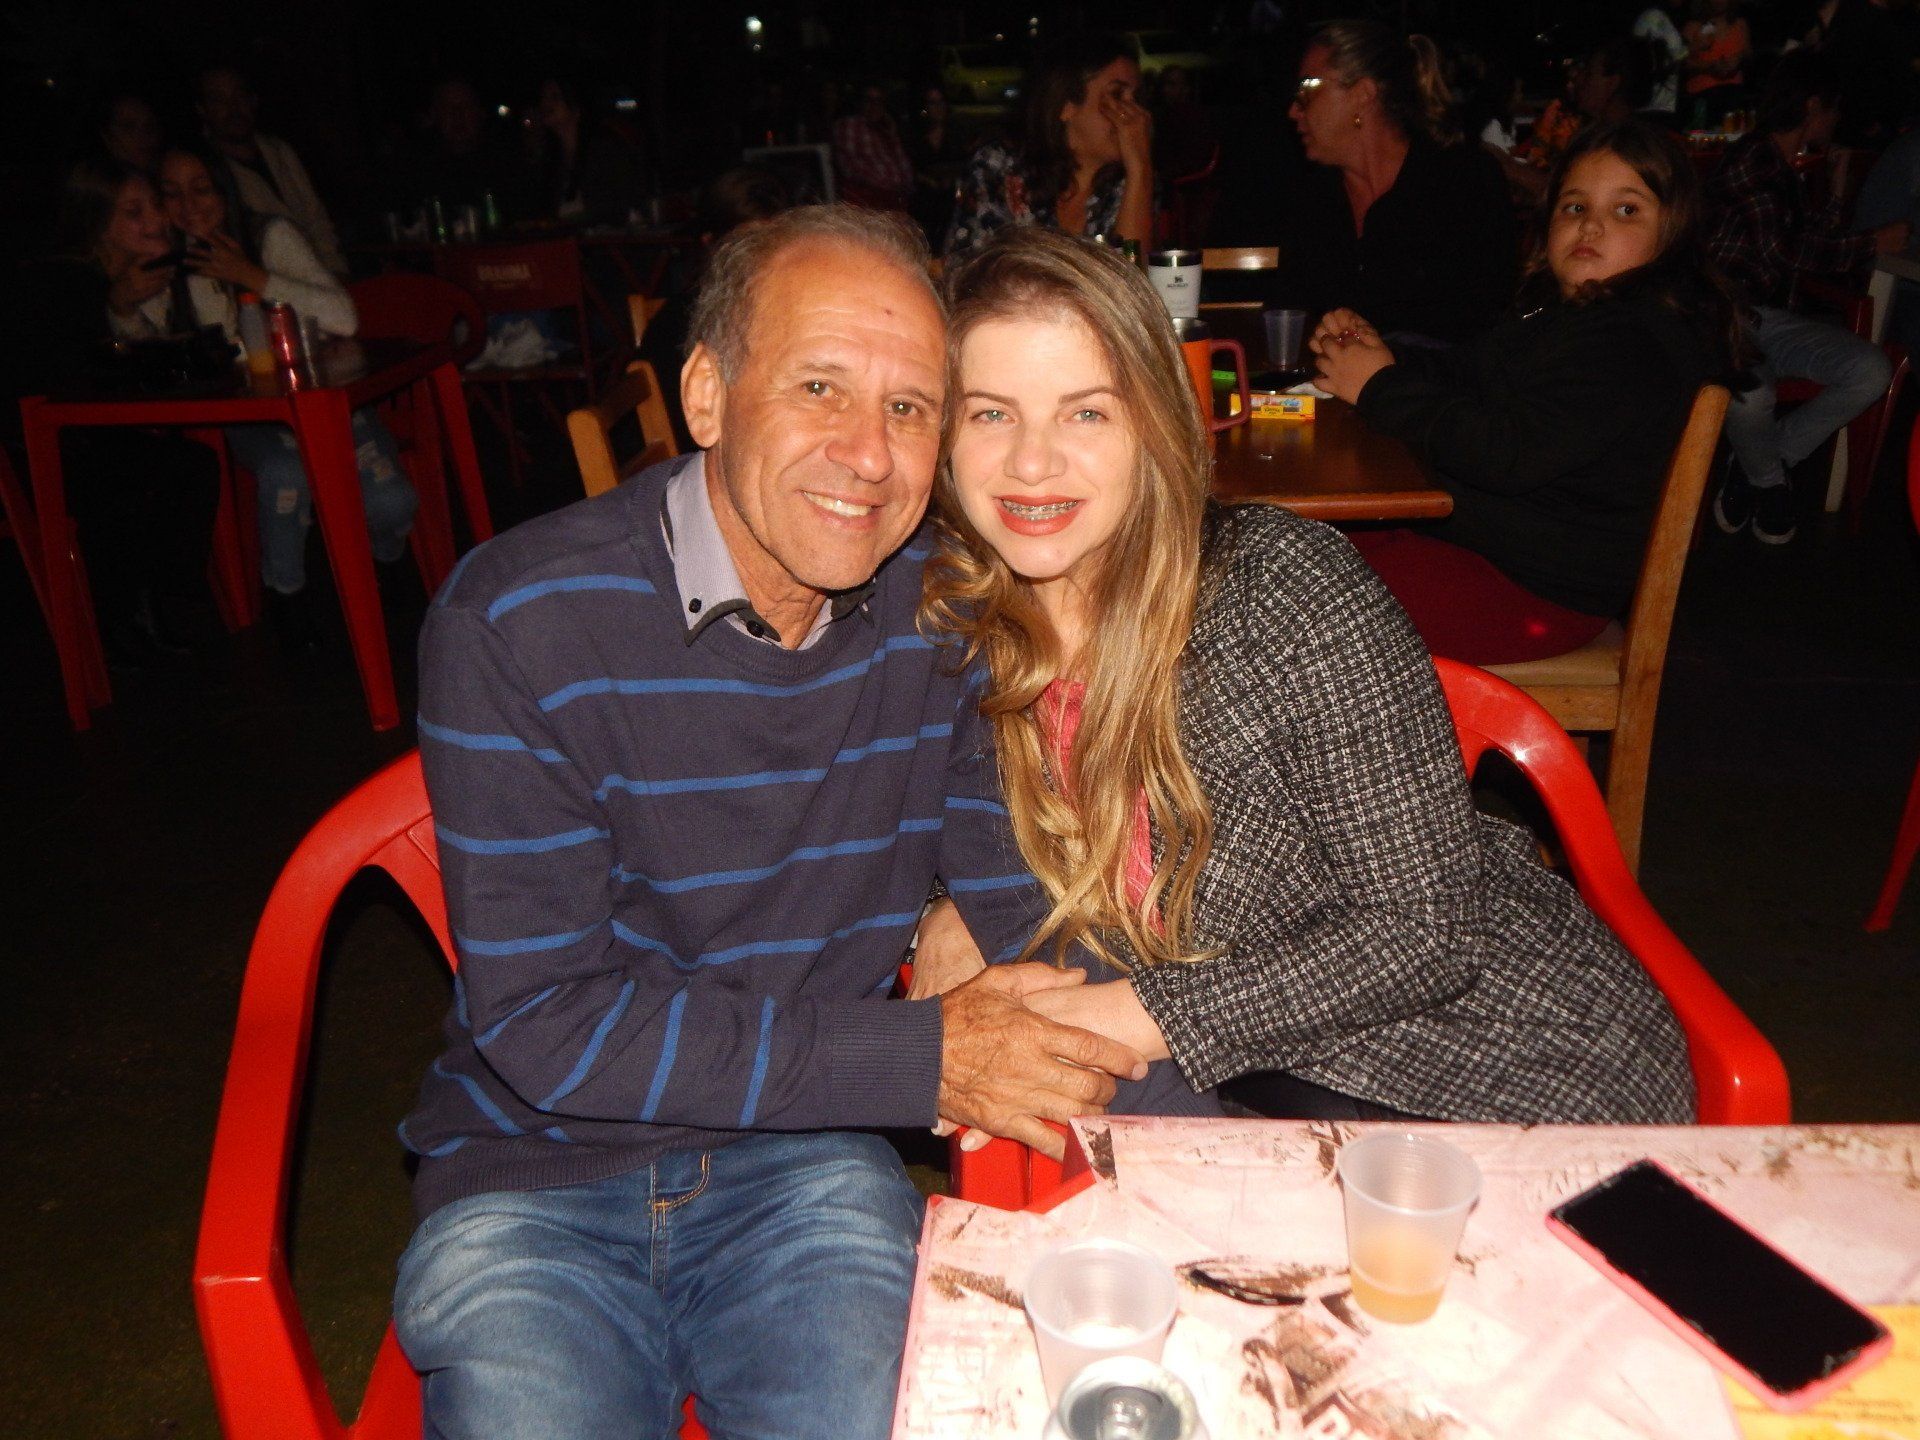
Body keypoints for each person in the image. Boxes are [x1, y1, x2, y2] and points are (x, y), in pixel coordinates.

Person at [392, 205, 1158, 1439]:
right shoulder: (520, 619)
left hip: (804, 1165)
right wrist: (918, 1056)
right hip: (534, 1181)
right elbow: (545, 1022)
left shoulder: (940, 607)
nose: (869, 454)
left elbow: (1011, 876)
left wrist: (980, 920)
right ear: (707, 395)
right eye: (819, 388)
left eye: (910, 407)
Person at [916, 226, 1696, 1126]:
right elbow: (917, 820)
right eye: (991, 413)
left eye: (1086, 412)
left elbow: (1428, 934)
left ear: (1155, 424)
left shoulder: (1282, 588)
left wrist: (1118, 1019)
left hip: (1498, 1057)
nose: (1031, 461)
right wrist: (950, 908)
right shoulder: (946, 620)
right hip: (1241, 1089)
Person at [1308, 120, 1737, 665]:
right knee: (1285, 549)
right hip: (1483, 550)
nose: (1591, 225)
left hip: (1536, 594)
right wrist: (1379, 356)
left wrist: (1377, 385)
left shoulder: (1631, 342)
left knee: (1294, 608)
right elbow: (1467, 371)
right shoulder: (1560, 316)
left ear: (1672, 233)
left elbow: (1506, 453)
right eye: (1574, 206)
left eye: (1626, 210)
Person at [153, 145, 415, 647]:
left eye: (201, 189)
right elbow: (148, 340)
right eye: (172, 193)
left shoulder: (269, 235)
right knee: (284, 474)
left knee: (393, 501)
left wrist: (250, 276)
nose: (189, 205)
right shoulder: (168, 259)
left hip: (323, 395)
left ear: (224, 189)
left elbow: (344, 318)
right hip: (253, 415)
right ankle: (287, 597)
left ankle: (388, 559)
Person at [10, 158, 220, 670]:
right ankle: (130, 618)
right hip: (37, 450)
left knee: (187, 464)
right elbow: (74, 381)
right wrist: (116, 309)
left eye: (154, 205)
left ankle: (162, 601)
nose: (156, 219)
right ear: (98, 223)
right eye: (133, 212)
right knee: (147, 477)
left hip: (85, 435)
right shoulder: (62, 280)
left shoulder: (121, 278)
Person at [1707, 55, 1906, 545]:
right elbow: (1788, 252)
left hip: (1773, 319)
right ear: (1813, 107)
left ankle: (1756, 464)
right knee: (1750, 394)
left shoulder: (1784, 166)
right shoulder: (1752, 161)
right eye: (1833, 110)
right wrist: (1875, 242)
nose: (1836, 121)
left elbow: (1806, 242)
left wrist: (1835, 190)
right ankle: (1769, 480)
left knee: (1872, 370)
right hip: (1727, 314)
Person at [1282, 19, 1517, 345]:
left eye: (1307, 89)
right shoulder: (1313, 200)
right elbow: (1288, 315)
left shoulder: (1461, 183)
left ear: (1362, 94)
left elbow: (1482, 320)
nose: (1294, 111)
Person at [943, 33, 1154, 260]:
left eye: (1136, 98)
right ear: (1066, 105)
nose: (1133, 114)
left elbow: (1130, 274)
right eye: (1117, 95)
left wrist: (1139, 168)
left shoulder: (1130, 182)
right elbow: (971, 266)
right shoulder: (1001, 166)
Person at [195, 64, 348, 277]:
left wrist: (335, 270)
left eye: (240, 96)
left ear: (253, 101)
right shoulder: (202, 171)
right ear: (203, 109)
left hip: (323, 277)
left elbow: (316, 218)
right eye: (218, 100)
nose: (233, 108)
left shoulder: (279, 151)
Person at [530, 73, 648, 225]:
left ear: (576, 108)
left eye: (555, 97)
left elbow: (625, 200)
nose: (545, 104)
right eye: (543, 98)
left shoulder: (603, 148)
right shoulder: (552, 158)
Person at [832, 83, 915, 211]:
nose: (875, 105)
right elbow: (850, 166)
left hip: (895, 199)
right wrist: (889, 185)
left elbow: (902, 164)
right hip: (867, 200)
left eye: (879, 101)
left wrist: (907, 187)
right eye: (869, 100)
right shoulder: (850, 126)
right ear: (861, 102)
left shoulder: (886, 129)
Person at [1682, 0, 1751, 113]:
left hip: (1734, 92)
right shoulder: (1693, 27)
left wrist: (1738, 59)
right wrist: (1710, 67)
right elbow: (1682, 63)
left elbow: (1748, 55)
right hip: (1702, 93)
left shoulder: (1740, 25)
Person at [93, 89, 164, 176]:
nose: (143, 135)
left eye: (150, 126)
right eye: (128, 127)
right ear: (107, 135)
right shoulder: (90, 180)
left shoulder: (168, 174)